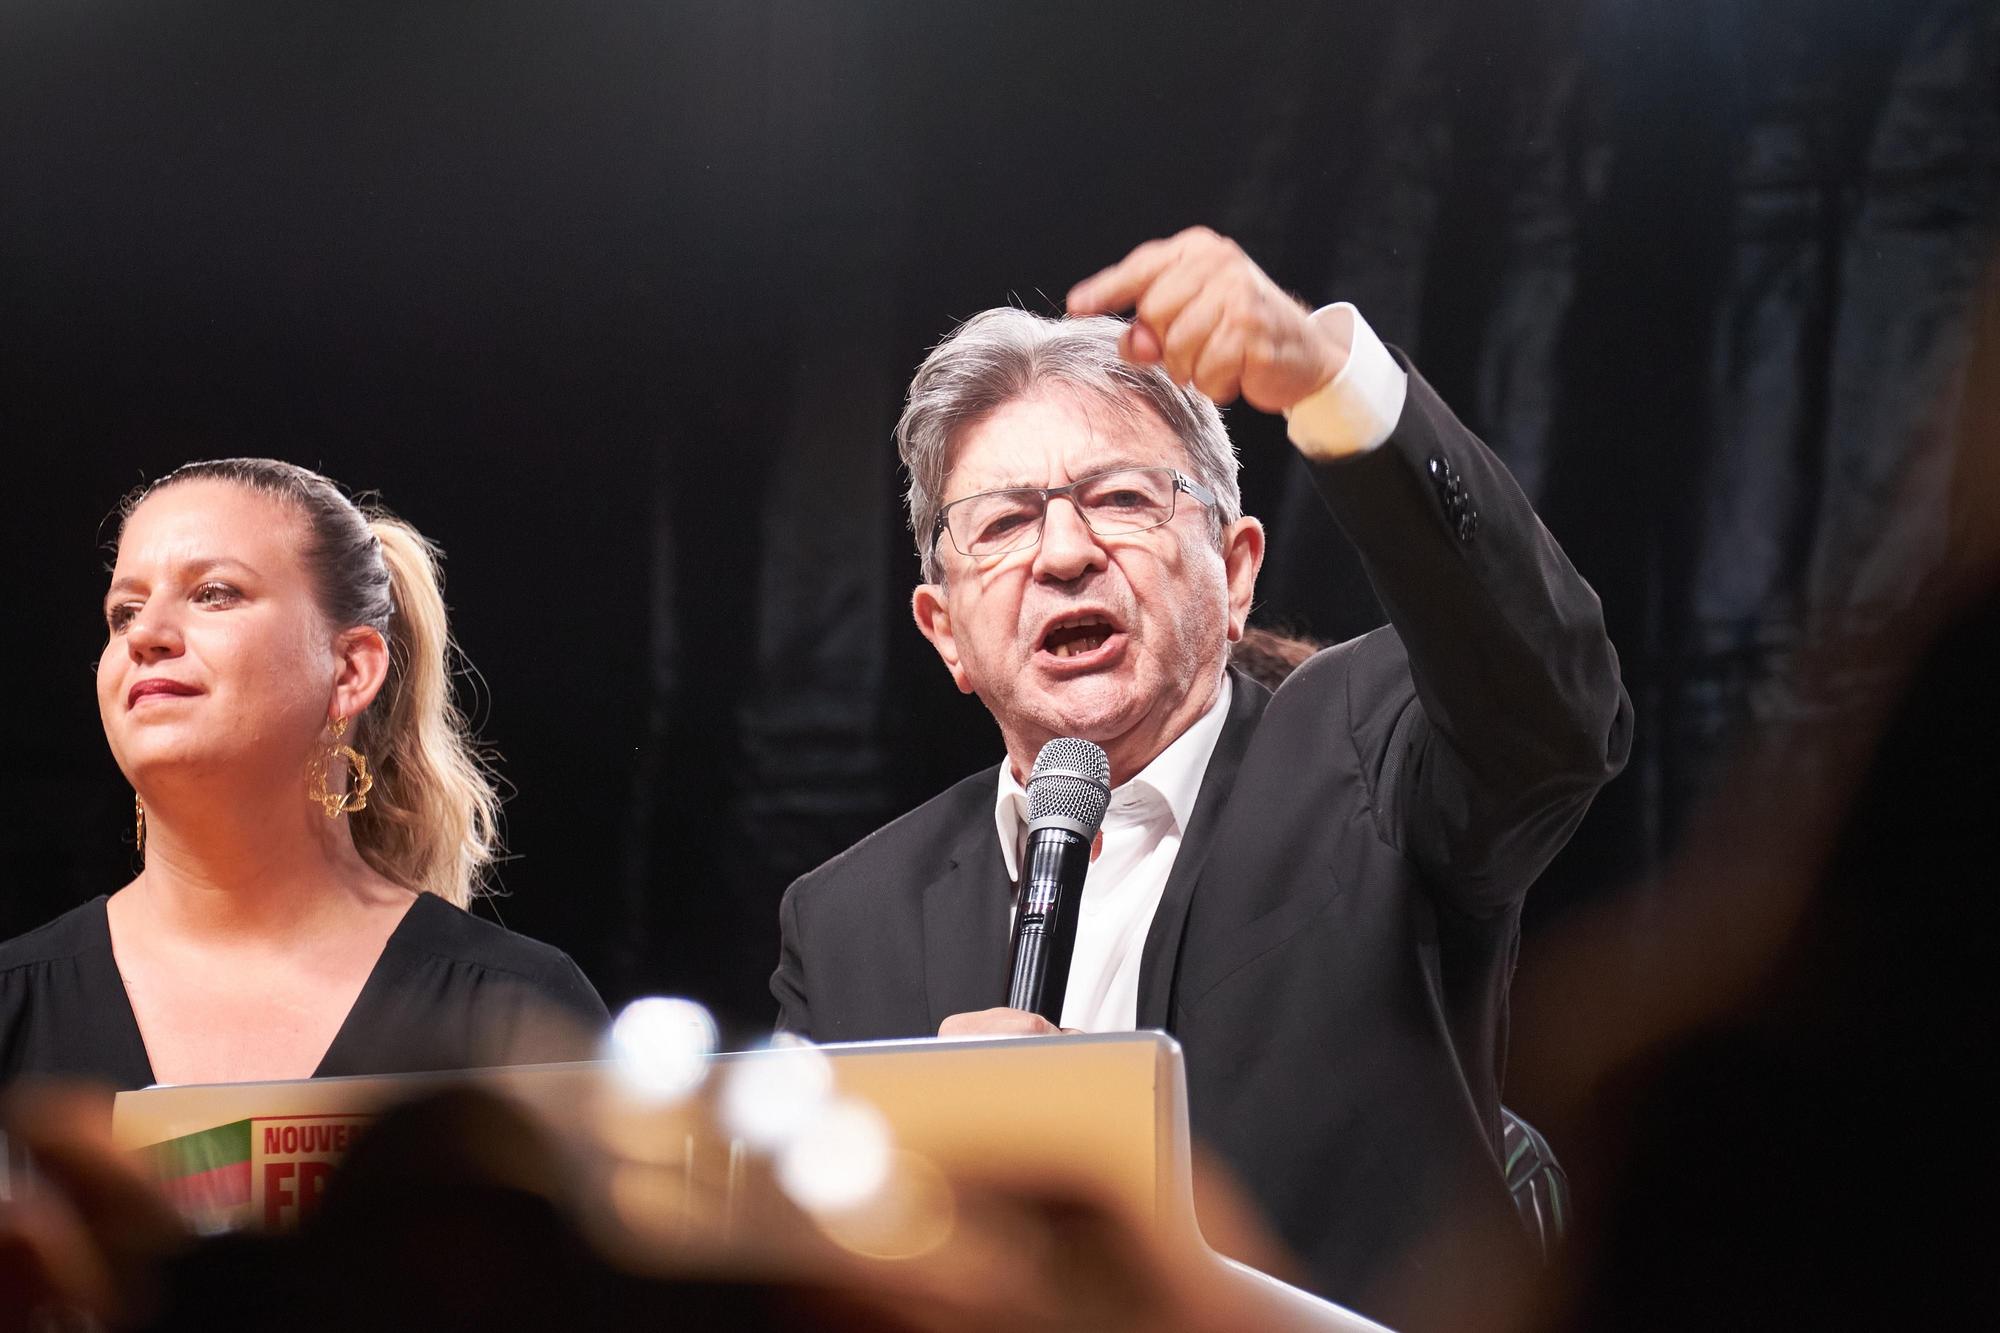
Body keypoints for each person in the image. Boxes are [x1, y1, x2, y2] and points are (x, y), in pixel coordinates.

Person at [770, 228, 1632, 1324]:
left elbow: (1552, 702)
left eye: (1121, 499)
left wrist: (1328, 380)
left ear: (1233, 575)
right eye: (1002, 522)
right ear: (944, 632)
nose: (1065, 551)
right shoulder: (848, 922)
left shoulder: (1365, 749)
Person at [0, 459, 607, 1092]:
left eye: (214, 592)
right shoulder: (11, 1006)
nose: (144, 635)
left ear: (349, 670)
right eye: (124, 611)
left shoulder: (522, 1015)